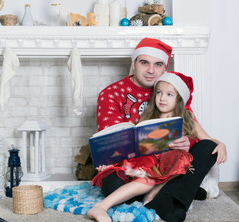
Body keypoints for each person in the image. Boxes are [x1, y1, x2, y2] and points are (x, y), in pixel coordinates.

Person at [91, 38, 227, 221]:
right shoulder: (111, 93)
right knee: (114, 185)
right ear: (134, 63)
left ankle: (167, 196)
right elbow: (110, 142)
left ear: (165, 67)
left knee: (207, 148)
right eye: (144, 62)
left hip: (168, 161)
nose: (150, 70)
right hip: (131, 165)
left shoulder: (172, 87)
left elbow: (197, 133)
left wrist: (187, 142)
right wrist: (108, 158)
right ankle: (178, 191)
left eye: (158, 64)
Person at [88, 71, 200, 222]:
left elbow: (205, 140)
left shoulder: (187, 120)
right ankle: (101, 207)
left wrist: (220, 145)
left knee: (183, 160)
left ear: (179, 99)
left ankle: (151, 196)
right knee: (148, 178)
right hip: (145, 161)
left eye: (169, 94)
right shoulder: (148, 118)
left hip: (167, 162)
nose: (162, 98)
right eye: (159, 92)